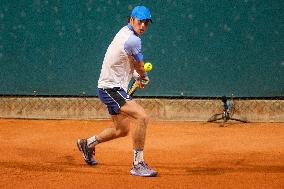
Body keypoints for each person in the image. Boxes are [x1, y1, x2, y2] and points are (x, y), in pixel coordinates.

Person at [77, 5, 157, 177]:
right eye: (140, 21)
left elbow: (128, 62)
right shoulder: (133, 40)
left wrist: (137, 75)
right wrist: (142, 75)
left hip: (112, 87)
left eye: (146, 23)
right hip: (110, 88)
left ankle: (88, 143)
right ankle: (138, 164)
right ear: (131, 19)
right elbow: (138, 65)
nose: (143, 26)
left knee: (122, 130)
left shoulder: (125, 34)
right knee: (141, 116)